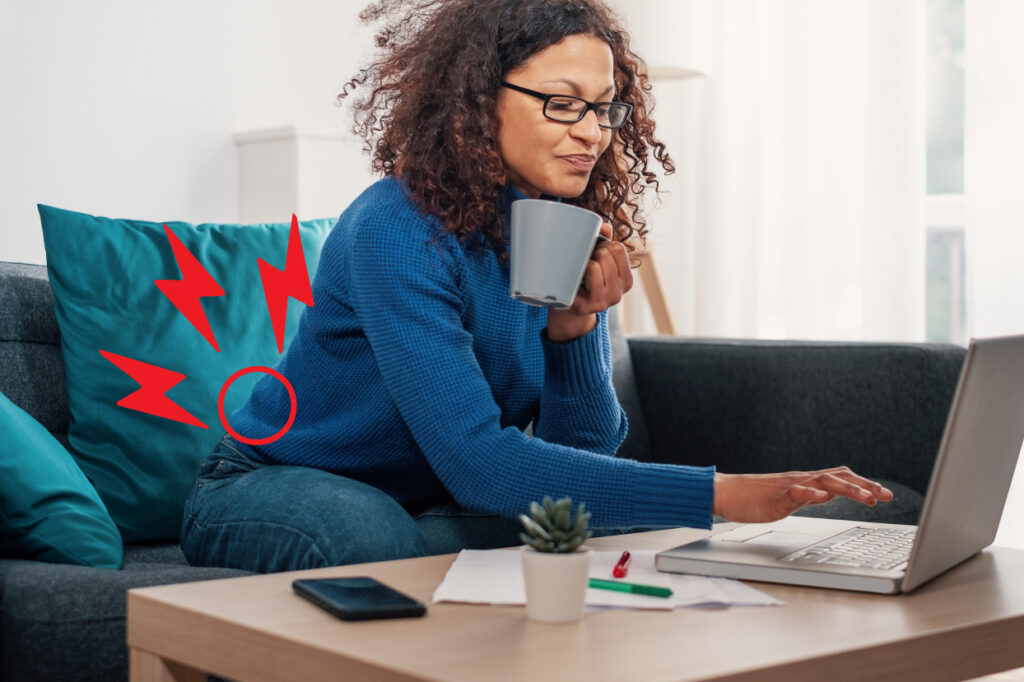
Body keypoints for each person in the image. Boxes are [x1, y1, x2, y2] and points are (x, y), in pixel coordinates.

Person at [181, 0, 893, 573]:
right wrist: (723, 494)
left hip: (431, 500)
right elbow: (483, 463)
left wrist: (576, 333)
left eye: (606, 108)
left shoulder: (557, 229)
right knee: (377, 537)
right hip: (267, 484)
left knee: (570, 524)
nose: (593, 134)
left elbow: (582, 450)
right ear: (474, 102)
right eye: (562, 104)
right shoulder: (394, 227)